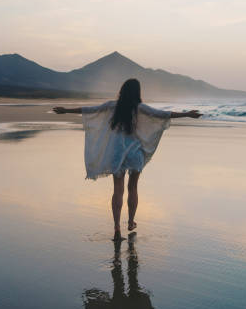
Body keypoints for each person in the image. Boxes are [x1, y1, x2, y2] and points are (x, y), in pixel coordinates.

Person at [53, 78, 202, 240]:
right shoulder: (140, 107)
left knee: (118, 189)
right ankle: (131, 222)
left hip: (117, 153)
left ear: (122, 91)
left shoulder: (112, 106)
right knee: (133, 188)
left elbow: (89, 110)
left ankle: (117, 227)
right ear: (137, 92)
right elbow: (163, 114)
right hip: (135, 153)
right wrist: (187, 114)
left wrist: (65, 110)